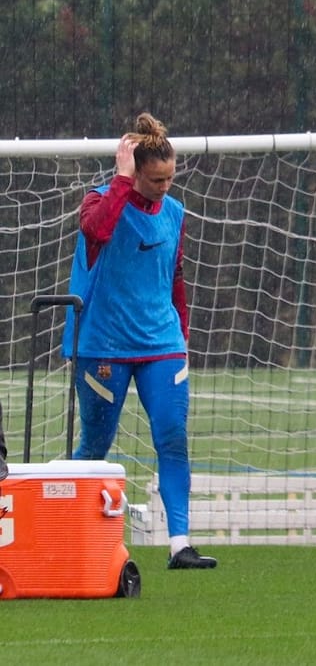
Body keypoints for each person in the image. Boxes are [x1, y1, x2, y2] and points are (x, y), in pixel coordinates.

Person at [63, 113, 216, 569]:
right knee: (95, 446)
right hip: (103, 346)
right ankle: (67, 537)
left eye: (170, 177)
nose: (164, 186)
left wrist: (182, 334)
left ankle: (180, 544)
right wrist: (122, 180)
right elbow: (98, 231)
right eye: (154, 179)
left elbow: (176, 275)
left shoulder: (175, 212)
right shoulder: (100, 203)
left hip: (162, 346)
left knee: (172, 439)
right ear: (135, 172)